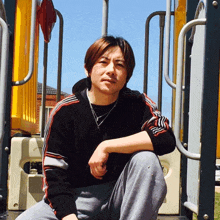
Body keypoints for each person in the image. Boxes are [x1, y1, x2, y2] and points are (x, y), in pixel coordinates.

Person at [16, 36, 176, 220]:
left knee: (146, 159)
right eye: (103, 62)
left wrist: (107, 146)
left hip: (121, 196)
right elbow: (54, 176)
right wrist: (69, 217)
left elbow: (165, 137)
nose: (111, 70)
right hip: (77, 198)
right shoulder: (65, 111)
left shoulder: (137, 104)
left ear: (127, 74)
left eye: (119, 65)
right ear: (88, 69)